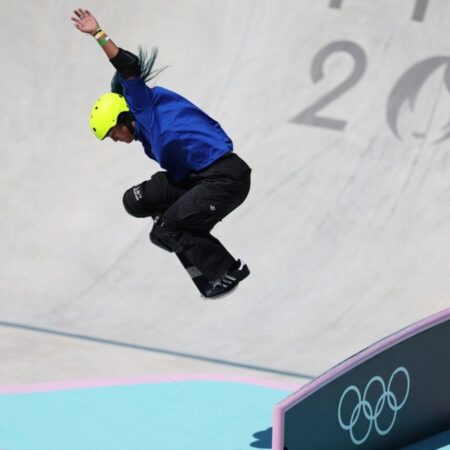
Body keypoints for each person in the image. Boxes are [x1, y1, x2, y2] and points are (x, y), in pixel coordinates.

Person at [71, 8, 251, 299]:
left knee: (170, 227)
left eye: (114, 133)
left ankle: (225, 270)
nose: (116, 140)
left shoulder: (141, 106)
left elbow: (128, 65)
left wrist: (97, 34)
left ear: (123, 117)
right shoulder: (145, 138)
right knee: (136, 204)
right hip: (198, 180)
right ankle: (175, 228)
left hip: (225, 178)